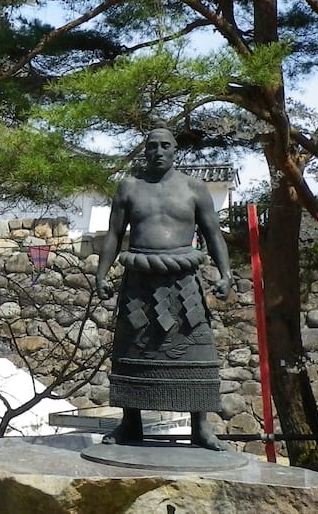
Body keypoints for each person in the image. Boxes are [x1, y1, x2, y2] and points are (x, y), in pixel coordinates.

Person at [94, 126, 233, 451]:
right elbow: (114, 233)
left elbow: (214, 233)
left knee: (195, 347)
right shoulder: (129, 186)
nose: (158, 151)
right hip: (139, 279)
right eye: (152, 145)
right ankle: (130, 421)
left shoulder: (194, 188)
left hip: (183, 281)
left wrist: (226, 274)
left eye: (165, 145)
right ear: (145, 150)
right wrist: (102, 273)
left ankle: (200, 426)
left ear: (175, 150)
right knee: (134, 347)